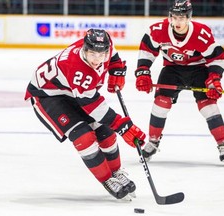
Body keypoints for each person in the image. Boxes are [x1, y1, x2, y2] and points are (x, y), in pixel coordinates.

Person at [24, 29, 146, 200]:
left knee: (105, 131)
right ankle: (106, 179)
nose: (97, 59)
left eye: (101, 54)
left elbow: (114, 55)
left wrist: (116, 69)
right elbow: (92, 105)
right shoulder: (78, 68)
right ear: (84, 48)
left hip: (71, 90)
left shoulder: (106, 48)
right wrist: (122, 125)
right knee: (83, 136)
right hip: (47, 95)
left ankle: (116, 172)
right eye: (92, 54)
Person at [134, 0, 224, 166]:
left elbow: (216, 57)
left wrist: (214, 80)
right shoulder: (157, 30)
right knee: (160, 103)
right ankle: (153, 142)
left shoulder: (201, 33)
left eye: (182, 18)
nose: (178, 22)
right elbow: (147, 51)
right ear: (170, 17)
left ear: (189, 18)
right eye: (175, 17)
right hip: (172, 69)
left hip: (199, 69)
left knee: (208, 106)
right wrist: (143, 72)